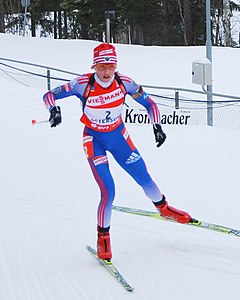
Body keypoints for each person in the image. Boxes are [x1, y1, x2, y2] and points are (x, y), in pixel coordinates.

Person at [43, 43, 192, 262]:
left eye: (110, 66)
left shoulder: (125, 82)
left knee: (143, 176)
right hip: (94, 140)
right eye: (101, 66)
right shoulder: (81, 83)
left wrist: (157, 126)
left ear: (116, 66)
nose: (106, 71)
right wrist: (54, 110)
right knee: (108, 190)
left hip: (118, 137)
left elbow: (150, 103)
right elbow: (49, 95)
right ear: (94, 65)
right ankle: (103, 238)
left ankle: (164, 208)